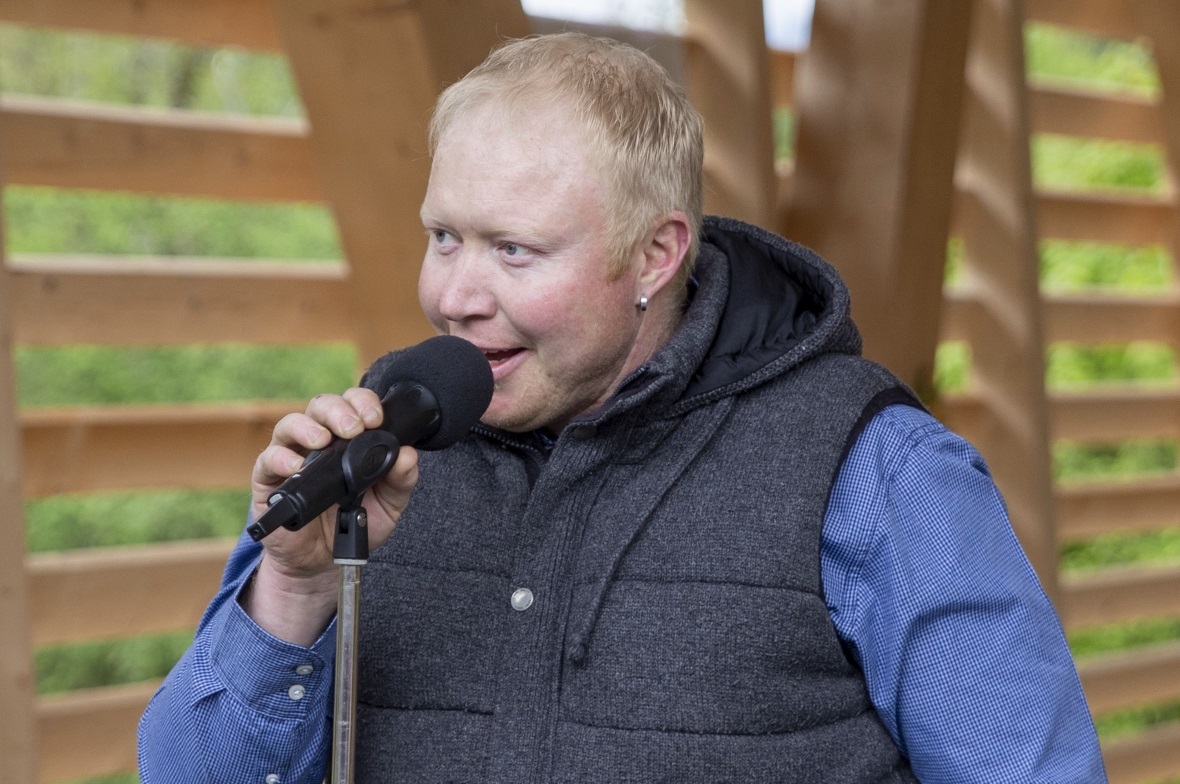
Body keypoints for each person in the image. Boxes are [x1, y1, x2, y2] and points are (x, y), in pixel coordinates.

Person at [139, 32, 1105, 783]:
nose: (455, 295)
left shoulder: (876, 469)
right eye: (444, 236)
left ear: (655, 255)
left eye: (514, 249)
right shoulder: (374, 443)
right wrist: (295, 589)